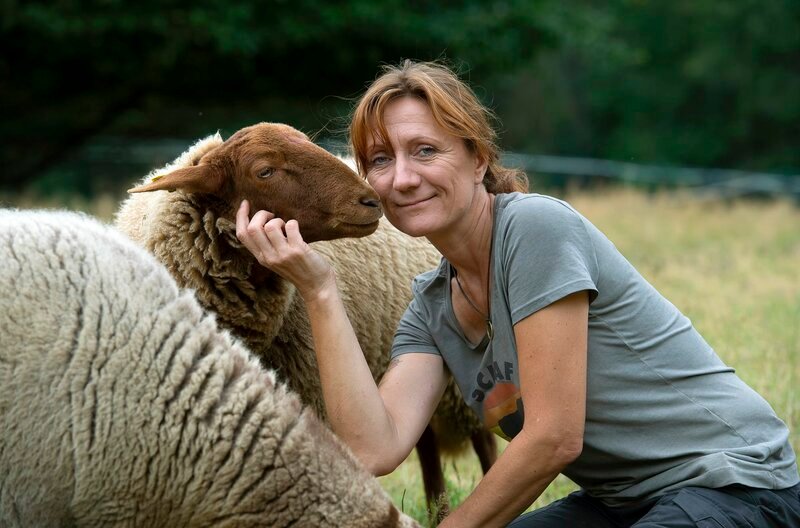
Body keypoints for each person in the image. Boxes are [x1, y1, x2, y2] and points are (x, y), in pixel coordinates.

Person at [235, 60, 800, 527]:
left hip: (736, 484)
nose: (402, 178)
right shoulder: (432, 305)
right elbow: (373, 449)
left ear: (478, 157)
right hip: (623, 503)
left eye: (425, 151)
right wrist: (320, 289)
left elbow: (553, 438)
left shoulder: (533, 229)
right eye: (381, 160)